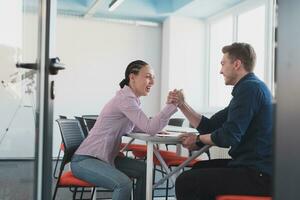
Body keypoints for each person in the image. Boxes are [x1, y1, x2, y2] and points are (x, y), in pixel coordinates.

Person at [169, 42, 273, 200]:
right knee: (198, 168)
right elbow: (210, 126)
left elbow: (229, 136)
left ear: (237, 64)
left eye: (223, 64)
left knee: (186, 182)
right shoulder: (249, 88)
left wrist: (198, 140)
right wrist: (182, 105)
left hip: (258, 174)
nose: (220, 70)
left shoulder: (250, 89)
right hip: (249, 167)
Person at [71, 60, 178, 200]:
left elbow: (146, 127)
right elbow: (150, 127)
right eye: (148, 76)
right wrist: (171, 105)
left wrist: (156, 128)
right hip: (85, 160)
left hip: (105, 158)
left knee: (145, 171)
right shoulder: (125, 100)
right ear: (132, 77)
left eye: (153, 78)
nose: (152, 82)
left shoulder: (131, 100)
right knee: (123, 184)